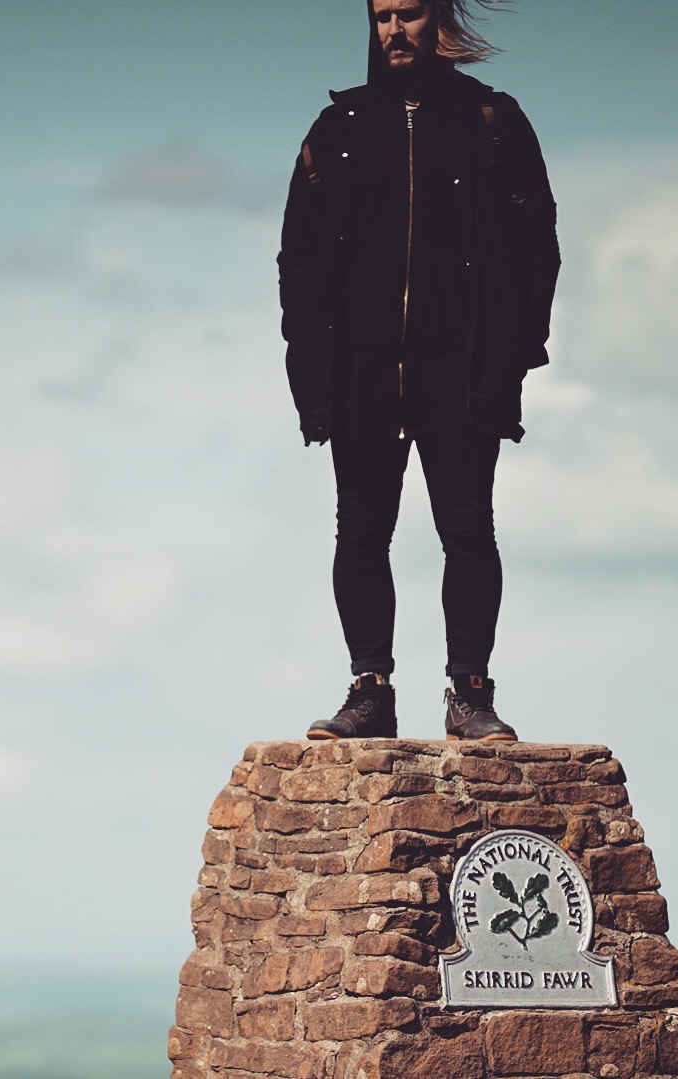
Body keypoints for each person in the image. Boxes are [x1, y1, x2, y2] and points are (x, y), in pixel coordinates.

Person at [279, 0, 559, 741]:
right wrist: (306, 361)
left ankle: (470, 693)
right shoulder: (336, 132)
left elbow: (539, 244)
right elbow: (298, 258)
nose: (394, 31)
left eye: (407, 14)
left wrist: (516, 350)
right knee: (361, 533)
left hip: (461, 369)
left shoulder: (490, 122)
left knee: (467, 530)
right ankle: (370, 689)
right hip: (360, 370)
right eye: (381, 17)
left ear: (436, 20)